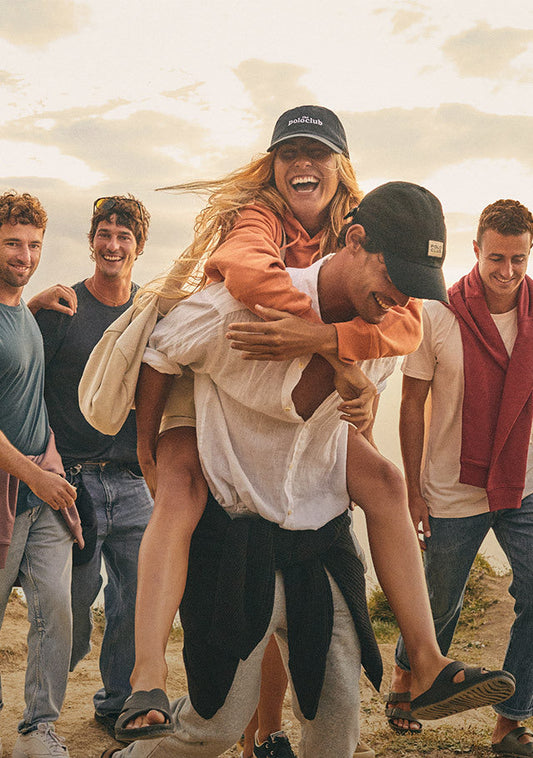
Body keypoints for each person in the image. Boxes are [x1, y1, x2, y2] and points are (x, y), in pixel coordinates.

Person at [100, 182, 515, 758]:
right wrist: (149, 449)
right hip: (238, 538)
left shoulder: (385, 331)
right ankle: (135, 719)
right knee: (214, 728)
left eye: (413, 287)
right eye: (395, 277)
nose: (400, 298)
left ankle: (427, 663)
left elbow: (355, 425)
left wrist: (347, 376)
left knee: (337, 730)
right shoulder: (237, 311)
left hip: (319, 543)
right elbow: (162, 349)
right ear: (356, 241)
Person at [108, 106, 423, 757]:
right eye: (289, 153)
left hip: (298, 389)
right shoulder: (254, 215)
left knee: (379, 484)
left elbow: (405, 325)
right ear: (273, 165)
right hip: (213, 373)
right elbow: (248, 281)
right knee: (181, 489)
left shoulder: (363, 225)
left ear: (340, 165)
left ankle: (395, 670)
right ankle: (145, 678)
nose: (302, 164)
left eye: (317, 152)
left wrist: (325, 344)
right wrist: (330, 346)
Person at [390, 198, 533, 754]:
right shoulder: (438, 313)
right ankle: (410, 675)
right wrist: (413, 489)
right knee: (439, 599)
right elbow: (410, 404)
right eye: (497, 258)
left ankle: (512, 717)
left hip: (522, 485)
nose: (508, 271)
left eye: (519, 259)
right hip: (451, 487)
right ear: (475, 251)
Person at [27, 196, 154, 738]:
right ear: (91, 241)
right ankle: (45, 707)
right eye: (105, 234)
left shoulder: (151, 311)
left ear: (138, 247)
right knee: (71, 614)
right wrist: (31, 308)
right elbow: (29, 381)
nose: (113, 245)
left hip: (133, 481)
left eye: (124, 237)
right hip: (72, 483)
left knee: (134, 606)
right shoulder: (64, 309)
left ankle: (118, 705)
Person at [0, 190, 80, 758]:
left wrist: (32, 307)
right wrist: (33, 475)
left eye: (32, 245)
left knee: (56, 608)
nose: (23, 254)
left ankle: (38, 728)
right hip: (17, 485)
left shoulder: (21, 313)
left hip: (38, 489)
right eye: (10, 242)